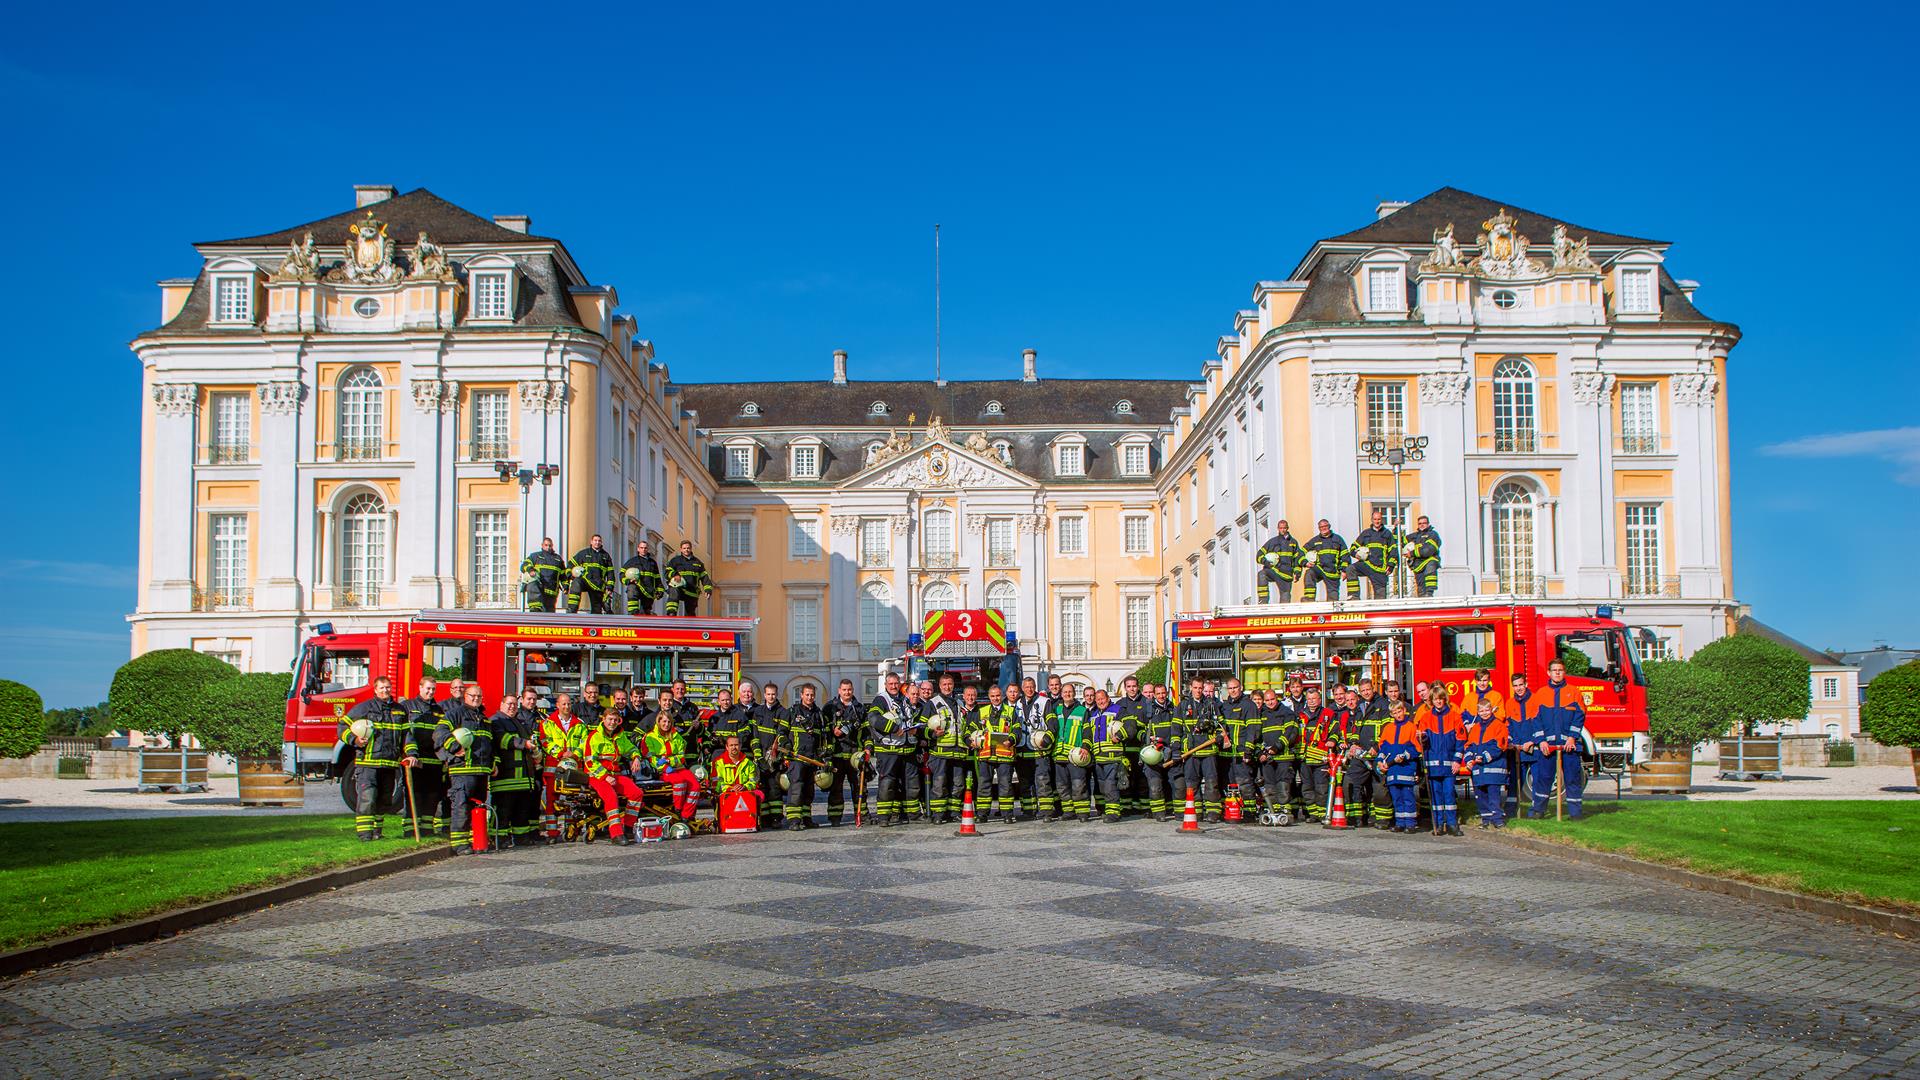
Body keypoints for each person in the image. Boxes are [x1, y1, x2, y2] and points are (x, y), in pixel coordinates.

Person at [340, 677, 416, 841]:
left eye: (387, 687)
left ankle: (377, 832)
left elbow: (407, 737)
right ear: (375, 689)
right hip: (368, 764)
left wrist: (411, 754)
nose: (385, 691)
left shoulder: (400, 710)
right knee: (367, 798)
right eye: (381, 688)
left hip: (389, 765)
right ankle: (365, 835)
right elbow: (342, 726)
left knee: (384, 801)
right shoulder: (364, 708)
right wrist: (355, 740)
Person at [1523, 660, 1587, 819]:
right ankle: (1538, 810)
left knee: (1572, 779)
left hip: (1569, 746)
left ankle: (1575, 813)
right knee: (1543, 779)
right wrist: (1541, 741)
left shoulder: (1574, 692)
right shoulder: (1541, 694)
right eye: (1554, 670)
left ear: (1564, 672)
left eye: (1560, 670)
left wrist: (1572, 738)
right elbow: (1535, 720)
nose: (1557, 673)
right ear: (1548, 672)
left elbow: (1580, 716)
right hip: (1548, 747)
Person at [435, 683, 494, 853]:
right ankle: (459, 844)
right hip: (462, 770)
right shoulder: (455, 714)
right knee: (461, 806)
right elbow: (440, 731)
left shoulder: (484, 719)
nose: (476, 699)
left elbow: (490, 744)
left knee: (477, 808)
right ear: (465, 696)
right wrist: (454, 747)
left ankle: (475, 841)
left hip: (481, 771)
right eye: (472, 695)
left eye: (479, 696)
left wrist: (493, 763)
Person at [581, 705, 645, 844]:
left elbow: (632, 748)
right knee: (611, 796)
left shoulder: (620, 736)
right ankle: (616, 834)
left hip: (614, 774)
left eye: (615, 720)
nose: (612, 723)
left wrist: (636, 757)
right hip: (596, 776)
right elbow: (590, 762)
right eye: (610, 719)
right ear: (603, 719)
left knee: (636, 793)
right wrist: (605, 776)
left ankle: (628, 828)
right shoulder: (594, 737)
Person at [399, 675, 449, 837]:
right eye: (428, 688)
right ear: (420, 688)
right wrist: (410, 754)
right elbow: (405, 734)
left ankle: (427, 829)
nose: (430, 692)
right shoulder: (407, 707)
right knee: (414, 796)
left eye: (433, 689)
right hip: (415, 761)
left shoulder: (439, 711)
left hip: (434, 762)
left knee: (433, 796)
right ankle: (410, 830)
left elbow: (443, 736)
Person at [1415, 682, 1466, 836]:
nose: (1438, 701)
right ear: (1432, 700)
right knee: (1436, 796)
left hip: (1450, 765)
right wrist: (1421, 738)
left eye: (1440, 699)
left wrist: (1457, 760)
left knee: (1449, 794)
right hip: (1433, 765)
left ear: (1445, 699)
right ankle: (1438, 823)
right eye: (1435, 699)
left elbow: (1461, 739)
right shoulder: (1426, 718)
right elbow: (1420, 741)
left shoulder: (1455, 717)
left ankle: (1451, 824)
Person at [490, 690, 540, 848]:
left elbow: (530, 742)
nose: (512, 707)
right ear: (501, 705)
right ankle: (499, 839)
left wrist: (536, 753)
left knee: (521, 811)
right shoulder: (496, 721)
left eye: (514, 704)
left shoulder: (518, 723)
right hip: (505, 777)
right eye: (509, 704)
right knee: (503, 811)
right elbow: (503, 740)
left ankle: (521, 838)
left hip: (523, 779)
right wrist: (524, 744)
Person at [867, 674, 918, 826]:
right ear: (885, 684)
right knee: (887, 783)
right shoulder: (881, 699)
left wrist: (914, 730)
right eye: (891, 683)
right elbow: (874, 718)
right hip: (888, 749)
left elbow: (910, 718)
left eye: (896, 683)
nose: (894, 686)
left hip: (906, 749)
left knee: (909, 783)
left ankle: (912, 814)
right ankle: (883, 817)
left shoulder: (904, 699)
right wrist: (894, 728)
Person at [1174, 675, 1223, 821]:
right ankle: (1197, 812)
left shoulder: (1211, 705)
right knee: (1192, 784)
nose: (1198, 691)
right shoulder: (1182, 706)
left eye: (1200, 688)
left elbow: (1221, 724)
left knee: (1211, 783)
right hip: (1191, 752)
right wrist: (1176, 749)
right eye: (1195, 688)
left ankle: (1213, 812)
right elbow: (1176, 730)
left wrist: (1220, 735)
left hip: (1208, 751)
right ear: (1190, 688)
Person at [536, 693, 584, 843]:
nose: (566, 706)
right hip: (553, 769)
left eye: (569, 704)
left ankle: (571, 830)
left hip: (573, 769)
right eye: (563, 704)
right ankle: (552, 832)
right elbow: (545, 742)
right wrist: (562, 754)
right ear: (557, 705)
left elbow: (584, 743)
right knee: (552, 801)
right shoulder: (547, 723)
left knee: (572, 800)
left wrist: (574, 755)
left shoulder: (579, 724)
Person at [779, 683, 827, 830]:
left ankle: (806, 818)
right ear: (801, 695)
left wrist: (823, 754)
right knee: (796, 789)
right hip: (797, 758)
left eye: (812, 694)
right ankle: (793, 820)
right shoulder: (792, 712)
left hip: (812, 759)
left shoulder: (818, 714)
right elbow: (781, 733)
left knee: (809, 791)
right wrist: (786, 745)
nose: (810, 697)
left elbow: (822, 737)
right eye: (807, 694)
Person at [1345, 678, 1392, 829]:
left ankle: (1382, 819)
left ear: (1373, 689)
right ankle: (1358, 817)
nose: (1366, 692)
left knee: (1379, 787)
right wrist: (1353, 745)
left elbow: (1387, 729)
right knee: (1353, 782)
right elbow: (1355, 729)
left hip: (1377, 753)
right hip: (1361, 754)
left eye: (1368, 689)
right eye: (1363, 690)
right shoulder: (1359, 706)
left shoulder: (1383, 705)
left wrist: (1377, 747)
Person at [970, 684, 1019, 824]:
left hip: (1005, 754)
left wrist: (1011, 739)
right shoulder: (982, 711)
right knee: (983, 786)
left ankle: (1007, 815)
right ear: (989, 697)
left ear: (1002, 696)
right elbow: (971, 729)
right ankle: (982, 814)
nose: (995, 698)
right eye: (992, 696)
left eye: (998, 695)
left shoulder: (1011, 711)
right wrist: (970, 740)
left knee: (1006, 786)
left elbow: (1017, 729)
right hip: (985, 755)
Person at [642, 710, 701, 822]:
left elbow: (682, 756)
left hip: (678, 767)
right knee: (680, 782)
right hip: (662, 771)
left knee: (696, 786)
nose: (666, 724)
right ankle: (677, 809)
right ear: (658, 722)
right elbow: (650, 758)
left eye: (669, 721)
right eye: (664, 721)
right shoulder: (650, 737)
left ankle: (685, 815)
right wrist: (664, 767)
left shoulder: (676, 736)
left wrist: (669, 760)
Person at [927, 680, 972, 823]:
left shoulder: (958, 704)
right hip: (940, 752)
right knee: (940, 784)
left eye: (950, 684)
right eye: (944, 684)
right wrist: (933, 734)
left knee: (958, 784)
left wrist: (969, 740)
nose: (947, 687)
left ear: (953, 685)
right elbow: (922, 726)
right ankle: (938, 814)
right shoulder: (932, 703)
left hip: (958, 752)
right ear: (940, 686)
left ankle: (954, 812)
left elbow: (962, 727)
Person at [1017, 677, 1060, 821]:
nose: (1029, 689)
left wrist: (1046, 740)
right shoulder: (1017, 704)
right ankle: (1029, 812)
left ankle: (1046, 812)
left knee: (1042, 782)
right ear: (1022, 688)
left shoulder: (1044, 702)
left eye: (1031, 686)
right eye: (1026, 687)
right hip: (1022, 750)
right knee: (1025, 783)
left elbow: (1053, 724)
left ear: (1035, 687)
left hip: (1039, 750)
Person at [1463, 697, 1511, 828]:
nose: (1484, 713)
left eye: (1487, 710)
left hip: (1493, 768)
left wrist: (1483, 757)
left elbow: (1499, 746)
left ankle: (1497, 820)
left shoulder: (1499, 725)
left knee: (1494, 796)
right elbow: (1469, 746)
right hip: (1478, 769)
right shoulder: (1475, 728)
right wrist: (1468, 760)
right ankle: (1486, 820)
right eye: (1482, 711)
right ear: (1477, 712)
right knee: (1480, 796)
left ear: (1492, 710)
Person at [1375, 701, 1422, 833]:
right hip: (1392, 770)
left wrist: (1405, 756)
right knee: (1396, 798)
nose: (1398, 715)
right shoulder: (1388, 728)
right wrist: (1380, 760)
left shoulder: (1411, 727)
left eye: (1399, 711)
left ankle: (1411, 824)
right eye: (1395, 713)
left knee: (1408, 797)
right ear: (1391, 714)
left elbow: (1416, 749)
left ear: (1404, 710)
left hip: (1406, 769)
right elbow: (1383, 748)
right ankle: (1400, 823)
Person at [823, 679, 865, 825]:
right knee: (836, 788)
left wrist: (867, 749)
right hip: (837, 755)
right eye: (844, 690)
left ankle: (861, 815)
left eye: (850, 690)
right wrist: (827, 755)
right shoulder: (830, 707)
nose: (847, 692)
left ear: (853, 690)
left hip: (854, 755)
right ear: (839, 691)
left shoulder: (859, 708)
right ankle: (835, 817)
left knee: (859, 787)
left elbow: (865, 732)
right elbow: (825, 734)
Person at [1218, 678, 1262, 819]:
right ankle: (1232, 811)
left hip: (1242, 753)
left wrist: (1248, 751)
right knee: (1228, 784)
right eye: (1230, 688)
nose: (1233, 691)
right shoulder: (1224, 706)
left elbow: (1253, 730)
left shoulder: (1249, 705)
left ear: (1241, 687)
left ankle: (1249, 812)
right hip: (1226, 754)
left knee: (1245, 783)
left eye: (1235, 688)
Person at [1111, 676, 1154, 815]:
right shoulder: (1120, 704)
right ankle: (1126, 808)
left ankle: (1145, 808)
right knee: (1125, 778)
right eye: (1129, 686)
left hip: (1142, 748)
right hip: (1125, 749)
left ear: (1138, 686)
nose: (1132, 689)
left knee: (1142, 780)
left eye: (1134, 686)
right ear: (1125, 688)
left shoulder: (1146, 702)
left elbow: (1150, 723)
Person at [1260, 688, 1303, 821]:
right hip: (1267, 757)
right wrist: (1260, 753)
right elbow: (1257, 736)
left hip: (1284, 757)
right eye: (1267, 700)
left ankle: (1285, 811)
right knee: (1269, 785)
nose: (1270, 702)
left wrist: (1276, 747)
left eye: (1272, 699)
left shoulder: (1287, 713)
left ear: (1277, 698)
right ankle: (1272, 810)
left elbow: (1290, 734)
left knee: (1283, 784)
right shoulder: (1261, 714)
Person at [1051, 685, 1093, 821]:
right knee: (1062, 786)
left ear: (1074, 694)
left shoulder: (1082, 711)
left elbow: (1087, 731)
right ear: (1061, 694)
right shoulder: (1056, 709)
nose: (1067, 694)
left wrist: (1086, 747)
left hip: (1076, 755)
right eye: (1065, 692)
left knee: (1078, 784)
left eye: (1070, 692)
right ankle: (1068, 812)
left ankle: (1082, 813)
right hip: (1059, 754)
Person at [1298, 689, 1339, 823]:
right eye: (1309, 699)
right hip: (1304, 758)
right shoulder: (1300, 715)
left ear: (1320, 699)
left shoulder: (1328, 714)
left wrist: (1332, 741)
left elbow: (1335, 730)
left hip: (1321, 758)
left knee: (1321, 787)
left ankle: (1323, 813)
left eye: (1314, 699)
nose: (1311, 702)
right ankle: (1312, 814)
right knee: (1307, 787)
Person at [1089, 689, 1128, 822]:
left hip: (1113, 756)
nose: (1100, 701)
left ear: (1108, 698)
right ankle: (1106, 810)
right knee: (1102, 786)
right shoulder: (1093, 714)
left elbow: (1130, 725)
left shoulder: (1118, 710)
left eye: (1102, 698)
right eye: (1098, 699)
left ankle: (1113, 814)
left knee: (1111, 785)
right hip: (1098, 758)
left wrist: (1120, 735)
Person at [750, 683, 785, 827]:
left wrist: (777, 757)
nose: (771, 697)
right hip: (761, 757)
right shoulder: (757, 711)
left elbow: (783, 735)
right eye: (768, 694)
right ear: (764, 695)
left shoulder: (782, 712)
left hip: (774, 757)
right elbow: (754, 736)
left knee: (775, 790)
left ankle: (776, 818)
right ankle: (764, 818)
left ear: (777, 695)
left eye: (773, 694)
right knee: (762, 788)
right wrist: (758, 757)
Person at [1344, 508, 1399, 600]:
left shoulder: (1387, 534)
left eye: (1379, 519)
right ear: (1372, 520)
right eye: (1375, 519)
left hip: (1380, 569)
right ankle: (1354, 596)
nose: (1377, 521)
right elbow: (1353, 547)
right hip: (1367, 564)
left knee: (1380, 600)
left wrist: (1391, 565)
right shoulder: (1366, 533)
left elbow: (1393, 551)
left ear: (1382, 520)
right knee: (1350, 569)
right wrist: (1355, 554)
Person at [1255, 520, 1307, 605]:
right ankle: (1263, 601)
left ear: (1287, 528)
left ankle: (1284, 615)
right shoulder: (1272, 542)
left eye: (1284, 528)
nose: (1282, 530)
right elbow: (1259, 555)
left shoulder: (1293, 543)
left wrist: (1297, 572)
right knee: (1262, 574)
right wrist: (1267, 563)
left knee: (1285, 601)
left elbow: (1297, 559)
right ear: (1278, 529)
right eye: (1281, 528)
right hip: (1274, 570)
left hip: (1286, 575)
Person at [565, 534, 616, 614]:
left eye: (599, 541)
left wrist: (610, 587)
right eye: (595, 540)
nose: (597, 542)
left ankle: (596, 624)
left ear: (601, 542)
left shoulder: (605, 556)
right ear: (591, 542)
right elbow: (571, 564)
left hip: (598, 585)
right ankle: (572, 610)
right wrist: (570, 575)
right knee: (577, 582)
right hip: (585, 581)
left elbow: (610, 573)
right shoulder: (583, 553)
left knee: (597, 611)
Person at [714, 734, 759, 821]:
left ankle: (754, 822)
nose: (734, 747)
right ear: (727, 747)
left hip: (745, 793)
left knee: (759, 794)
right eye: (731, 745)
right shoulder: (719, 763)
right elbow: (717, 784)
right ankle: (721, 822)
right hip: (726, 795)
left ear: (740, 746)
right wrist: (730, 789)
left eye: (736, 745)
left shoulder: (749, 763)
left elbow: (753, 782)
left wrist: (744, 787)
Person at [1301, 519, 1347, 602]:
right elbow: (1301, 552)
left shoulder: (1338, 539)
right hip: (1319, 569)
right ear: (1319, 528)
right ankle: (1309, 598)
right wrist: (1305, 563)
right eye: (1321, 527)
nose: (1323, 528)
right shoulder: (1315, 540)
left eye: (1325, 526)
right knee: (1309, 573)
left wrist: (1344, 570)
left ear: (1329, 526)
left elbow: (1345, 555)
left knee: (1333, 600)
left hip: (1333, 572)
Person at [663, 540, 711, 616]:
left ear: (691, 549)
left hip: (692, 591)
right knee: (673, 592)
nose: (686, 550)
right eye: (684, 548)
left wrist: (708, 589)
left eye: (688, 548)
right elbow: (667, 572)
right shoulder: (675, 560)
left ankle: (689, 626)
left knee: (690, 615)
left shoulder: (698, 562)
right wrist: (675, 575)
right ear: (681, 549)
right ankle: (671, 613)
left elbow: (704, 577)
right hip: (679, 587)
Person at [520, 537, 566, 613]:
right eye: (546, 545)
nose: (548, 547)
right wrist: (530, 570)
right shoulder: (535, 556)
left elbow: (563, 575)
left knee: (549, 617)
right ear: (542, 545)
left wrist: (565, 587)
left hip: (552, 592)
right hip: (539, 590)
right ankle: (535, 610)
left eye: (550, 545)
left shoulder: (558, 559)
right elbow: (524, 565)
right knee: (536, 613)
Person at [1403, 515, 1442, 597]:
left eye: (1424, 523)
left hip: (1429, 560)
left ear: (1428, 524)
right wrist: (1395, 529)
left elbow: (1428, 550)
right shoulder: (1414, 536)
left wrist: (1412, 553)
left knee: (1430, 567)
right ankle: (1422, 597)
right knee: (1420, 589)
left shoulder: (1433, 534)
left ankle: (1429, 592)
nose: (1422, 525)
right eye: (1420, 523)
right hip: (1418, 565)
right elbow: (1400, 541)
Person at [622, 540, 663, 615]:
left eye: (645, 548)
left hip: (649, 590)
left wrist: (660, 590)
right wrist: (628, 581)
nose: (643, 550)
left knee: (645, 614)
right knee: (632, 589)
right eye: (641, 548)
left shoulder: (652, 563)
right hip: (637, 587)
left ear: (648, 549)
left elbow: (657, 578)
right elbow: (622, 574)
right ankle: (632, 614)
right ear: (638, 549)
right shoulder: (632, 561)